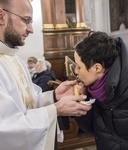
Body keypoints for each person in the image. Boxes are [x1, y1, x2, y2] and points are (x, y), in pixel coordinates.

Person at [0, 0, 92, 150]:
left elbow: (27, 104)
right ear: (1, 17)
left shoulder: (15, 59)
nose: (31, 29)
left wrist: (54, 96)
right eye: (26, 20)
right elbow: (5, 128)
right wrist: (55, 109)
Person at [74, 31, 128, 150]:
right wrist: (82, 101)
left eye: (79, 66)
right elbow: (90, 129)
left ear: (97, 68)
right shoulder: (93, 91)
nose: (75, 71)